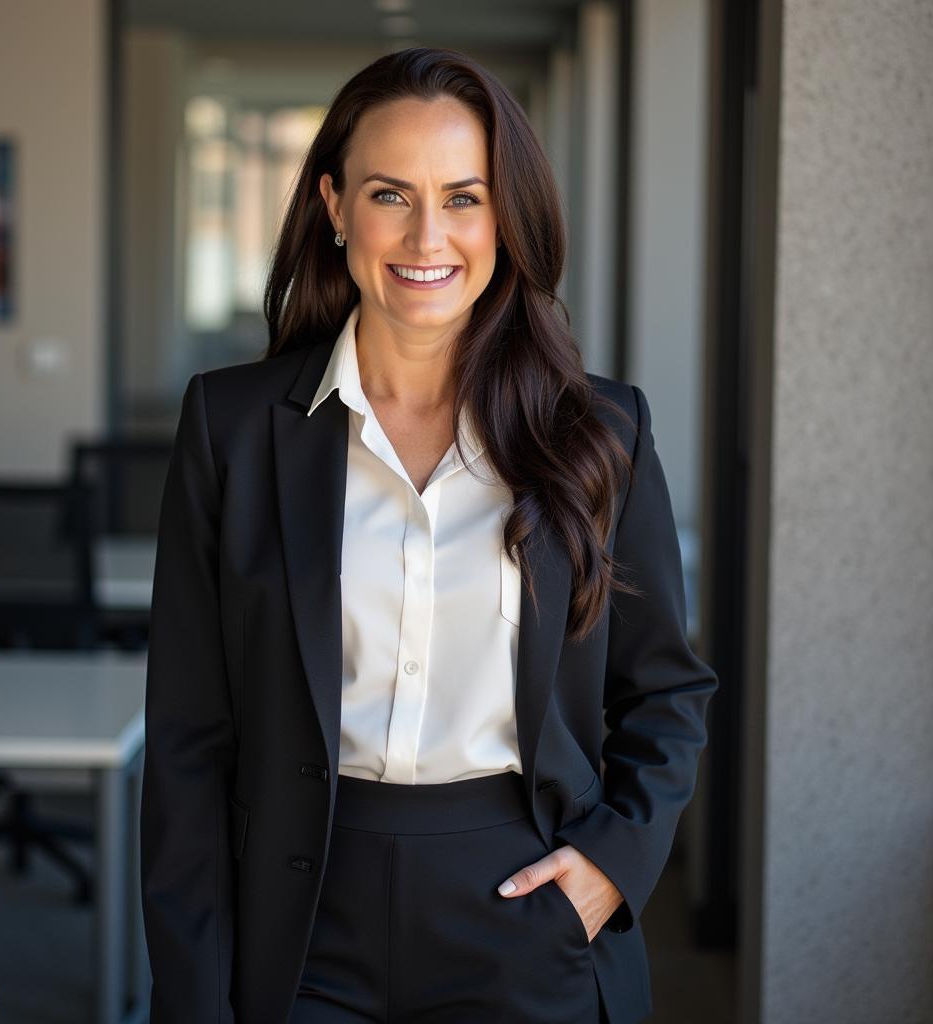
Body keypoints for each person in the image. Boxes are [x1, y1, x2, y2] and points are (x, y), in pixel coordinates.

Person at [140, 45, 718, 1024]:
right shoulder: (230, 429)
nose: (425, 234)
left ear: (507, 216)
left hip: (522, 903)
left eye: (463, 196)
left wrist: (609, 869)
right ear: (332, 206)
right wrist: (194, 989)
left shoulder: (600, 435)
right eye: (388, 194)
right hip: (297, 915)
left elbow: (666, 691)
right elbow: (191, 740)